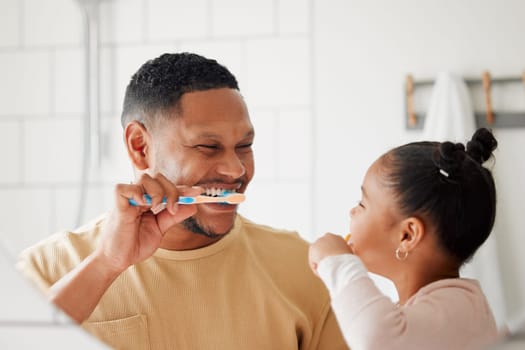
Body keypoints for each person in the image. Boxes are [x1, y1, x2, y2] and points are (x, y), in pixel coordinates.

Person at [18, 52, 347, 350]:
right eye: (208, 147)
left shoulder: (302, 266)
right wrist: (106, 264)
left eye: (244, 146)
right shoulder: (45, 270)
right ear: (139, 146)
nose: (236, 169)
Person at [309, 128, 501, 350]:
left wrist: (338, 263)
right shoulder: (444, 309)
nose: (352, 212)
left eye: (362, 204)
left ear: (407, 235)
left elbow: (375, 337)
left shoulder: (459, 310)